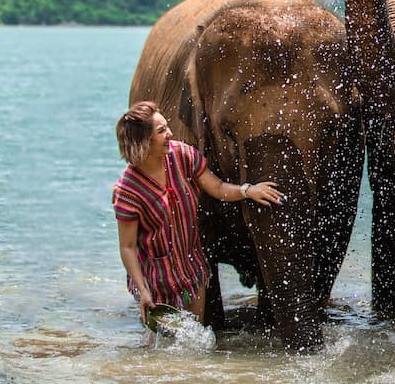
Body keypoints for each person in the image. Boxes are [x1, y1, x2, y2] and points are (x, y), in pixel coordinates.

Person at [112, 100, 284, 329]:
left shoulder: (182, 156)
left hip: (192, 272)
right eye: (162, 130)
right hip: (156, 282)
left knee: (195, 341)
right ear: (144, 141)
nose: (170, 134)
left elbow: (218, 188)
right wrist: (143, 290)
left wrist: (248, 191)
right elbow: (128, 247)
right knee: (160, 346)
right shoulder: (127, 190)